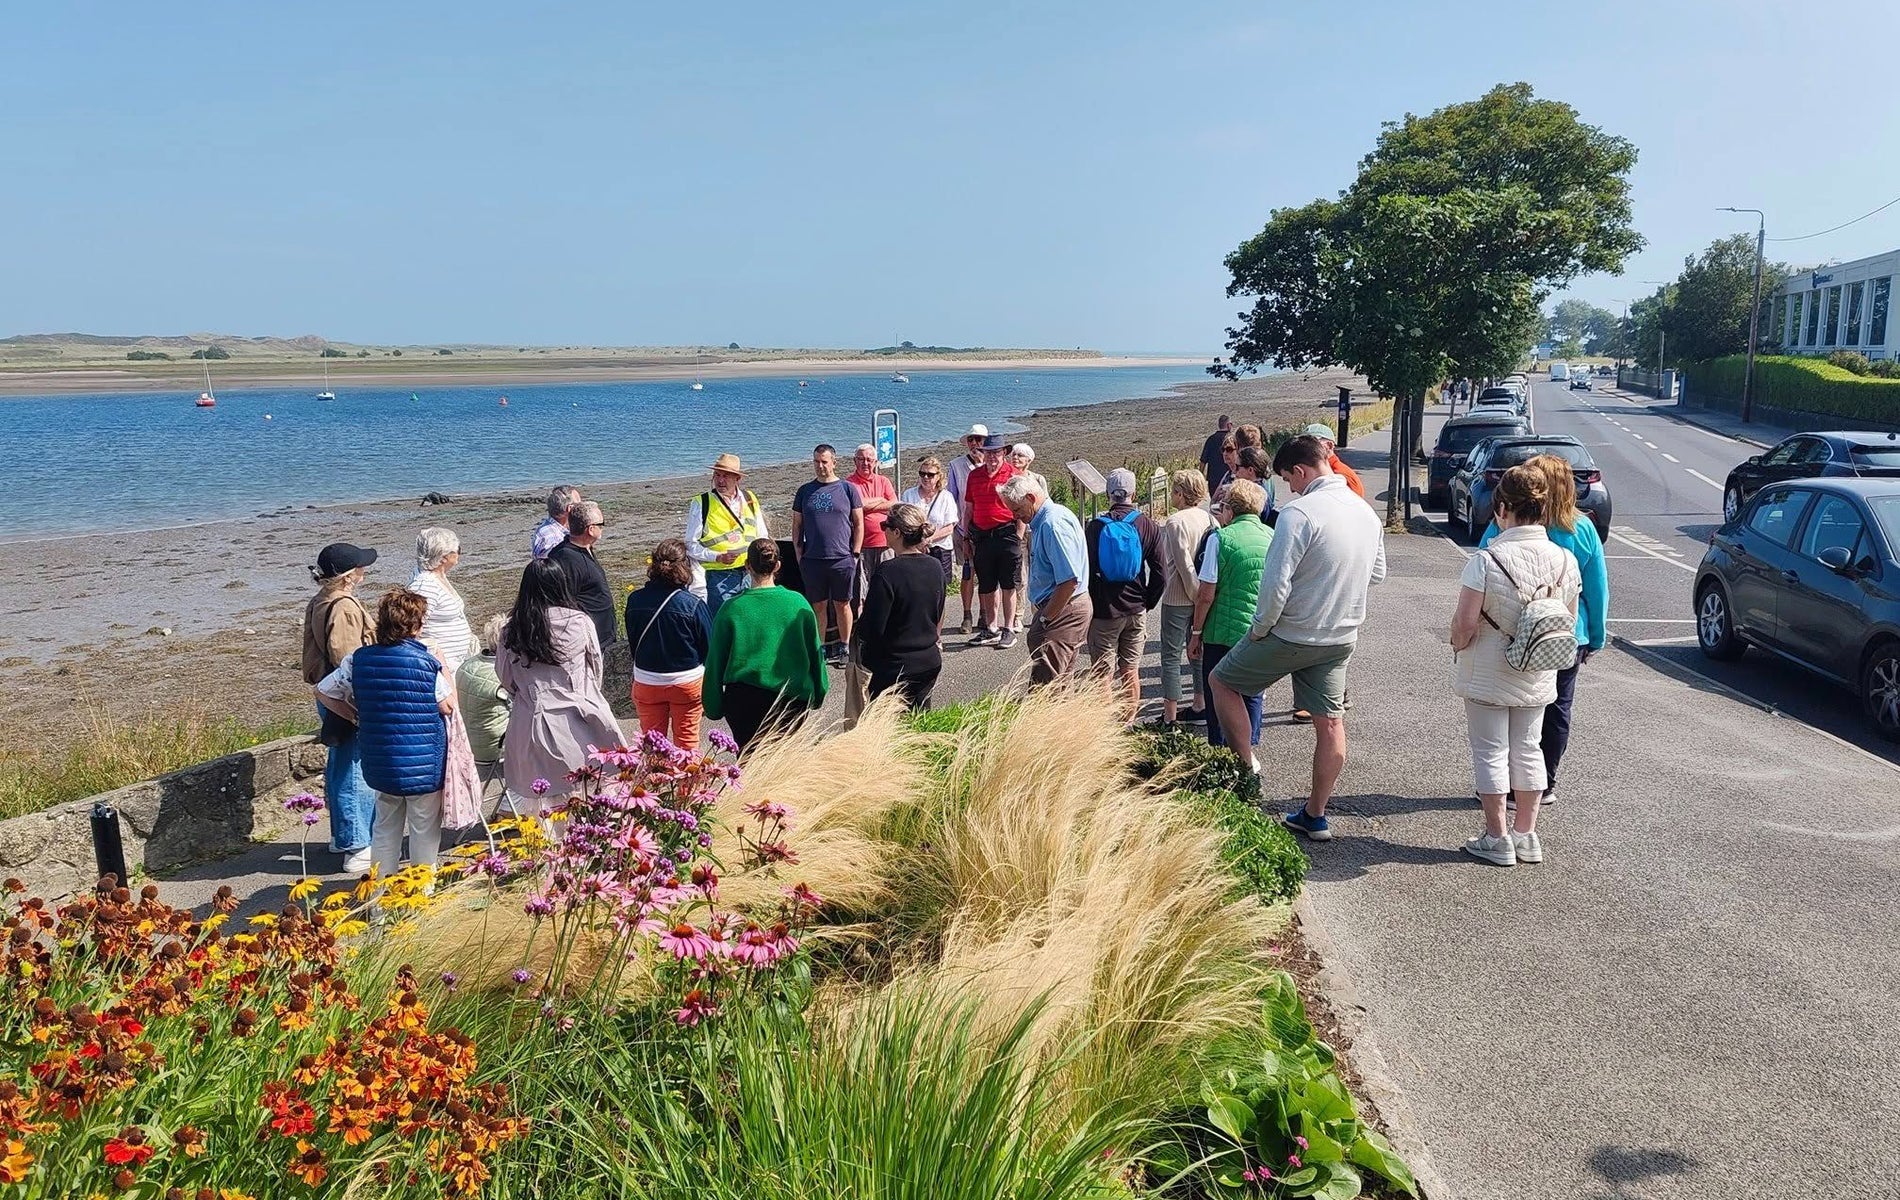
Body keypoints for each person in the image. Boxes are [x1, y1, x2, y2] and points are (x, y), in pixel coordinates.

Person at [1210, 436, 1386, 842]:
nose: (1289, 487)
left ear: (1302, 471)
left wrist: (1259, 629)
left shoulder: (1298, 514)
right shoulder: (1366, 512)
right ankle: (1315, 813)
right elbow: (1376, 575)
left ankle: (1246, 769)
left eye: (1289, 478)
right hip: (1341, 634)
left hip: (1293, 631)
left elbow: (1275, 586)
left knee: (1222, 681)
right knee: (1330, 723)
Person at [1452, 466, 1581, 866]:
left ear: (1503, 508)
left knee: (1490, 750)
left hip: (1488, 670)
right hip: (1538, 670)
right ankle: (1527, 835)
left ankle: (1497, 837)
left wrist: (1458, 644)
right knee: (1528, 749)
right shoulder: (1565, 560)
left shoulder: (1486, 561)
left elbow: (1465, 626)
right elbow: (1569, 620)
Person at [1478, 453, 1608, 807]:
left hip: (1511, 630)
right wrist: (1595, 636)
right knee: (1556, 710)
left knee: (1506, 711)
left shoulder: (1507, 524)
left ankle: (1500, 786)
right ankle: (1544, 782)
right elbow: (1596, 589)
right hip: (1565, 634)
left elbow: (1483, 563)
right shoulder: (1582, 529)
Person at [314, 588, 450, 880]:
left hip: (380, 758)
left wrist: (354, 715)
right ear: (415, 625)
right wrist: (443, 664)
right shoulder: (425, 660)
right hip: (422, 761)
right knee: (423, 829)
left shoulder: (358, 660)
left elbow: (324, 691)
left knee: (385, 828)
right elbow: (448, 705)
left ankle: (378, 897)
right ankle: (420, 896)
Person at [496, 559, 624, 817]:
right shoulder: (579, 621)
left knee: (542, 802)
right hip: (579, 714)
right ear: (561, 585)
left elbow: (505, 677)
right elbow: (595, 667)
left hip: (531, 719)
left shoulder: (511, 629)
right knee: (591, 792)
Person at [704, 539, 830, 750]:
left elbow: (715, 662)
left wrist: (713, 705)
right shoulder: (798, 603)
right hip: (791, 697)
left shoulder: (731, 609)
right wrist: (819, 691)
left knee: (749, 762)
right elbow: (815, 654)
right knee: (789, 760)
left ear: (747, 566)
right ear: (778, 566)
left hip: (744, 702)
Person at [302, 541, 378, 873]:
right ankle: (356, 843)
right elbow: (348, 659)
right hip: (345, 696)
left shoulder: (319, 600)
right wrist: (360, 702)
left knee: (339, 765)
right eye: (360, 568)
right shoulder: (344, 606)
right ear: (348, 576)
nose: (364, 572)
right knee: (354, 768)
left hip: (327, 692)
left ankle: (342, 836)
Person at [1189, 480, 1272, 754]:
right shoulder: (1272, 536)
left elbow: (1206, 593)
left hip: (1222, 630)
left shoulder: (1220, 538)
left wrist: (1196, 632)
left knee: (1219, 689)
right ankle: (1249, 750)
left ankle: (1222, 746)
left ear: (1229, 510)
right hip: (1259, 628)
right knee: (1252, 690)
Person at [1085, 467, 1164, 723]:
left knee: (1102, 674)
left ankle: (1106, 730)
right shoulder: (1148, 525)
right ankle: (1128, 723)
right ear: (1134, 493)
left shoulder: (1095, 527)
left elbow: (1086, 569)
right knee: (1130, 671)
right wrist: (1148, 602)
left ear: (1108, 493)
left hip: (1104, 611)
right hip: (1136, 609)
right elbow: (1161, 572)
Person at [624, 538, 714, 752]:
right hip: (686, 681)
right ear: (684, 567)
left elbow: (633, 641)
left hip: (647, 679)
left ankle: (653, 784)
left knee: (652, 746)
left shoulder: (635, 600)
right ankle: (687, 785)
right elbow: (708, 648)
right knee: (687, 745)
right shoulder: (693, 605)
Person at [1002, 472, 1091, 685]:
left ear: (1031, 498)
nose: (1015, 517)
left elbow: (1069, 580)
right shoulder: (1052, 517)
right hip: (1064, 606)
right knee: (1059, 679)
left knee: (1046, 685)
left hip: (1063, 608)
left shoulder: (1052, 524)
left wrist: (1045, 618)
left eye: (1017, 510)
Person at [856, 504, 946, 710]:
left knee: (887, 729)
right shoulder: (935, 566)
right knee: (921, 723)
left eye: (885, 525)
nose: (882, 530)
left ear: (896, 532)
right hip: (928, 660)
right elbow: (938, 612)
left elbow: (872, 629)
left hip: (893, 666)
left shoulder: (887, 573)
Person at [791, 444, 864, 667]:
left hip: (842, 557)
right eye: (816, 462)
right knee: (818, 605)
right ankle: (820, 647)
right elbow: (797, 525)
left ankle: (844, 646)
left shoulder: (848, 489)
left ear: (834, 462)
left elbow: (858, 523)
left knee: (843, 604)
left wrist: (855, 552)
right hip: (813, 559)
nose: (820, 466)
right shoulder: (805, 491)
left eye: (824, 461)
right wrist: (799, 554)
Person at [1157, 471, 1217, 726]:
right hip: (1203, 594)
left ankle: (1170, 715)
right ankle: (1200, 703)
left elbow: (1183, 565)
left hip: (1178, 596)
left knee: (1171, 655)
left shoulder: (1175, 521)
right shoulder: (1211, 518)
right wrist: (1203, 597)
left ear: (1180, 493)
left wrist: (1195, 595)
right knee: (1197, 650)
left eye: (1173, 491)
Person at [686, 454, 768, 615]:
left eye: (726, 476)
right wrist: (717, 556)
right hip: (719, 577)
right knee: (721, 623)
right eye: (717, 475)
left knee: (750, 619)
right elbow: (691, 545)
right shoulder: (701, 503)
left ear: (737, 478)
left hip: (750, 572)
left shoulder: (749, 498)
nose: (720, 480)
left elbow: (762, 535)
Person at [961, 433, 1021, 647]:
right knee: (986, 585)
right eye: (988, 452)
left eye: (996, 451)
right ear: (983, 453)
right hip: (982, 536)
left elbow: (1022, 507)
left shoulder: (1013, 475)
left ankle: (1008, 628)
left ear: (1004, 452)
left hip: (1007, 534)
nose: (992, 456)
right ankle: (991, 627)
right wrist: (966, 536)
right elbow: (968, 508)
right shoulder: (974, 476)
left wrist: (1018, 536)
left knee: (1008, 583)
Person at [455, 615, 511, 805]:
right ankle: (513, 804)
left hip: (466, 742)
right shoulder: (502, 674)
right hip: (491, 749)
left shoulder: (466, 666)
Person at [547, 501, 618, 649]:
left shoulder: (585, 549)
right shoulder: (565, 558)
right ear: (590, 529)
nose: (603, 528)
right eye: (601, 524)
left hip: (602, 636)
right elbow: (564, 602)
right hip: (588, 641)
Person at [902, 455, 960, 629]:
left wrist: (928, 539)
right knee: (914, 591)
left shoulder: (946, 497)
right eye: (922, 474)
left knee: (938, 594)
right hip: (914, 550)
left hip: (939, 550)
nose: (926, 478)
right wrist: (917, 542)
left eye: (930, 474)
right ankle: (916, 629)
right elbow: (903, 521)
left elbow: (950, 526)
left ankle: (936, 634)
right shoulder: (909, 495)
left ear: (938, 476)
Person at [411, 527, 477, 672]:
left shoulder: (438, 577)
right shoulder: (424, 586)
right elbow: (411, 629)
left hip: (453, 664)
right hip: (440, 666)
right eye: (457, 550)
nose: (459, 553)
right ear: (443, 557)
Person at [946, 425, 989, 633]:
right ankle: (966, 615)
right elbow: (951, 496)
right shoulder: (956, 465)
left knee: (986, 572)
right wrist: (956, 525)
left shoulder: (993, 465)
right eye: (971, 440)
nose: (975, 444)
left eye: (979, 440)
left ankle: (984, 613)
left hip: (987, 528)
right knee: (966, 573)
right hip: (963, 528)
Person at [846, 443, 898, 608]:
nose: (865, 463)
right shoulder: (849, 483)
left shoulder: (883, 481)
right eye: (861, 459)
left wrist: (868, 505)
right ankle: (863, 628)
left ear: (875, 462)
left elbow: (894, 505)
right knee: (862, 589)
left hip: (886, 544)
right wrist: (881, 500)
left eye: (869, 460)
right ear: (855, 461)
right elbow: (857, 505)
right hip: (862, 546)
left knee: (886, 587)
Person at [1009, 444, 1048, 632]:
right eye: (1014, 454)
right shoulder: (1008, 479)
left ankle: (1036, 612)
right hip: (1015, 532)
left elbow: (1045, 503)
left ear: (1029, 460)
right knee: (1020, 575)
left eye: (1020, 455)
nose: (1015, 458)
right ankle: (1018, 615)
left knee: (1037, 571)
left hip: (1034, 530)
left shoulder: (1038, 479)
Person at [1301, 423, 1367, 499]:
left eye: (1312, 444)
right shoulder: (1328, 470)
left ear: (1329, 446)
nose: (1305, 449)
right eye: (1303, 444)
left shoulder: (1338, 476)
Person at [532, 485, 582, 560]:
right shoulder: (551, 537)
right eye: (579, 505)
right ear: (569, 508)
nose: (582, 509)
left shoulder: (564, 530)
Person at [1200, 415, 1234, 490]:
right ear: (1229, 425)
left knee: (1214, 500)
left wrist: (1200, 477)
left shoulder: (1211, 439)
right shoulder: (1231, 440)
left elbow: (1203, 461)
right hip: (1228, 478)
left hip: (1213, 479)